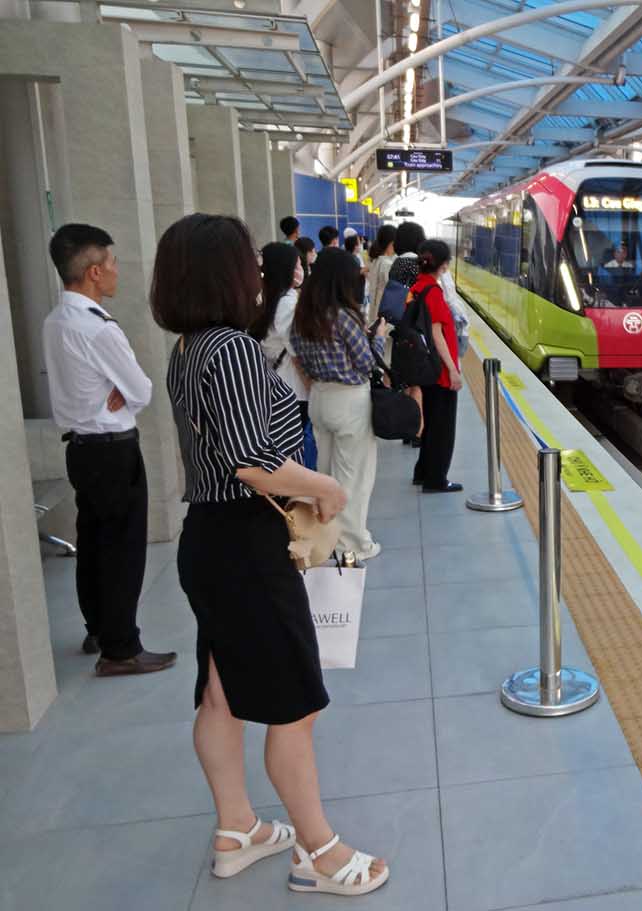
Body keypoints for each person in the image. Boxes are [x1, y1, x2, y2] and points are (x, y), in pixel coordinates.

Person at [152, 213, 388, 896]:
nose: (260, 273)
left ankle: (238, 829)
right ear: (222, 273)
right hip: (247, 544)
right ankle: (320, 853)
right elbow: (252, 461)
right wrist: (326, 488)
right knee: (294, 705)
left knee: (221, 694)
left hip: (212, 538)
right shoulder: (228, 348)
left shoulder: (189, 348)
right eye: (249, 263)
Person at [42, 224, 176, 676]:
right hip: (113, 450)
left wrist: (120, 390)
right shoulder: (99, 329)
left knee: (94, 543)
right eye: (113, 263)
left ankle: (98, 628)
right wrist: (122, 390)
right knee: (122, 549)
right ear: (94, 272)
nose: (119, 271)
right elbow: (142, 390)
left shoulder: (55, 321)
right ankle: (121, 648)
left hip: (81, 450)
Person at [291, 248, 388, 559]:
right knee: (353, 478)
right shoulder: (343, 316)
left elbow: (300, 358)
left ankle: (329, 538)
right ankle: (353, 546)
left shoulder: (302, 315)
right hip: (349, 402)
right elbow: (367, 363)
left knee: (327, 474)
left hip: (320, 399)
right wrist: (379, 336)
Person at [251, 243, 316, 470]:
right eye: (297, 265)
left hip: (276, 387)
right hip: (294, 390)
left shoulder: (266, 298)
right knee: (297, 454)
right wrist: (313, 389)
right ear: (285, 269)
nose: (301, 270)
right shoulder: (287, 302)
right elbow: (298, 354)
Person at [409, 240, 463, 493]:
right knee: (442, 427)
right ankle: (436, 479)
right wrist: (452, 369)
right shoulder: (433, 292)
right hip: (439, 369)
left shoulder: (416, 287)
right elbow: (436, 333)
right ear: (444, 265)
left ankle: (422, 472)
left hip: (425, 366)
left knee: (431, 421)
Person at [387, 222, 426, 447]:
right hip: (415, 329)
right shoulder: (418, 265)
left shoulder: (396, 264)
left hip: (398, 328)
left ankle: (405, 429)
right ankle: (417, 432)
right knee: (417, 384)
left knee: (404, 384)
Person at [364, 225, 398, 323]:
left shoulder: (376, 260)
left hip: (375, 308)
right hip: (385, 312)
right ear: (391, 243)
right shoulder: (387, 264)